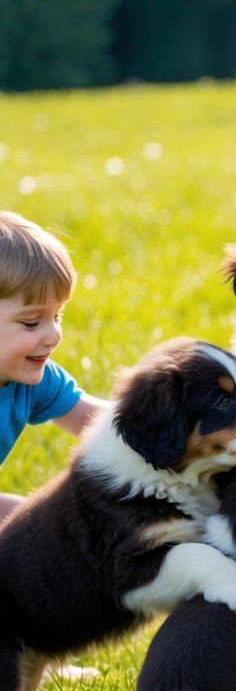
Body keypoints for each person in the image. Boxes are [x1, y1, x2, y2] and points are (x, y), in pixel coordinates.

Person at [0, 210, 105, 525]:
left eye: (57, 317)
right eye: (32, 322)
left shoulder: (34, 382)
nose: (54, 335)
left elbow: (103, 423)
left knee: (37, 528)